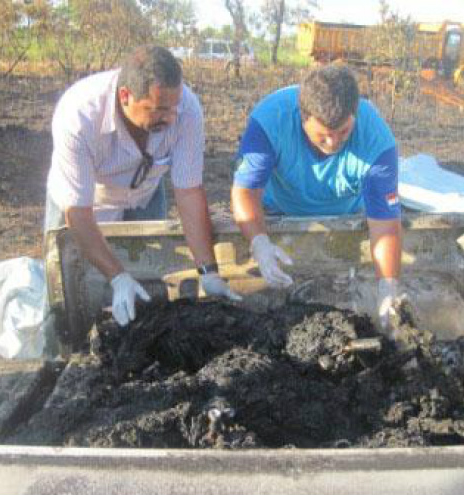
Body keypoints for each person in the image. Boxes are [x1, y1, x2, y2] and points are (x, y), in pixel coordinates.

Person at [45, 45, 240, 327]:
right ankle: (61, 347)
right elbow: (78, 212)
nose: (171, 118)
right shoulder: (79, 115)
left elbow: (188, 191)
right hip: (86, 200)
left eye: (173, 108)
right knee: (69, 291)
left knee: (147, 284)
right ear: (125, 96)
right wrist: (117, 276)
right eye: (159, 110)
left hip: (145, 192)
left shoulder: (186, 110)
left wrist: (208, 272)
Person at [231, 65, 401, 331]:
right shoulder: (270, 121)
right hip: (278, 210)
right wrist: (259, 243)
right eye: (323, 135)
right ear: (302, 116)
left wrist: (387, 285)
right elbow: (245, 192)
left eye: (343, 133)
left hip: (346, 214)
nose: (333, 143)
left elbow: (385, 225)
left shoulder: (377, 141)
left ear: (354, 114)